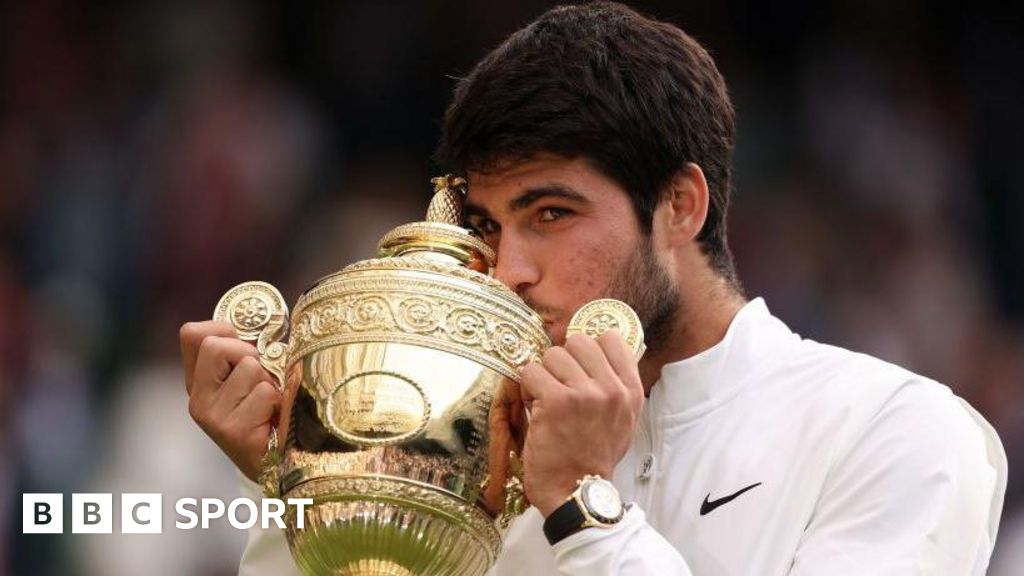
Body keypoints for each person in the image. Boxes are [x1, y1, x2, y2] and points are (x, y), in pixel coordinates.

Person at [179, 2, 1007, 574]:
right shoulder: (471, 444)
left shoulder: (895, 429)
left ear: (679, 206)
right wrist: (313, 486)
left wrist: (580, 507)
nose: (509, 272)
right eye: (491, 226)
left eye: (551, 213)